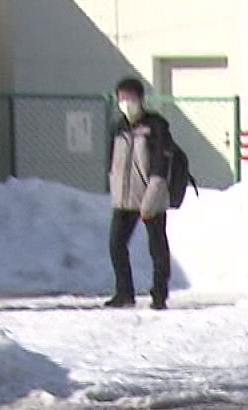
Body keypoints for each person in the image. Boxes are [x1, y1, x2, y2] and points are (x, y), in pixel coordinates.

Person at [105, 77, 174, 310]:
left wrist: (152, 197)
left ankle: (159, 294)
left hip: (150, 197)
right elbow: (112, 161)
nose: (125, 103)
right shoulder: (118, 127)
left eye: (130, 98)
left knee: (157, 246)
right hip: (124, 198)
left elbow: (160, 165)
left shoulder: (155, 126)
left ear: (141, 99)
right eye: (121, 98)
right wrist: (114, 188)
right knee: (116, 244)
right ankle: (124, 292)